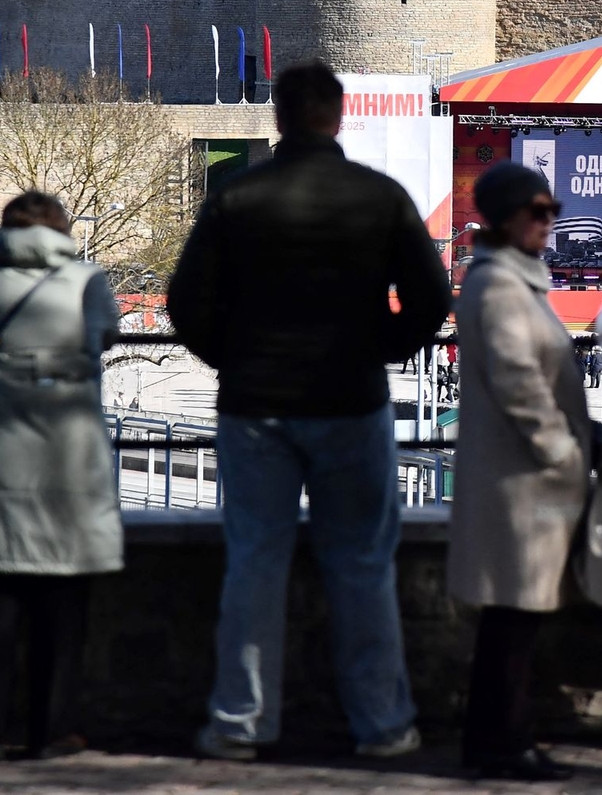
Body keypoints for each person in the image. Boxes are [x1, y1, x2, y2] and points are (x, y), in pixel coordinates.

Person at [168, 62, 451, 762]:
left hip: (256, 404)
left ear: (278, 119)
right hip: (350, 400)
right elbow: (431, 300)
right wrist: (377, 349)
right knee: (362, 564)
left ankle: (240, 722)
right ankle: (381, 725)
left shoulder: (237, 197)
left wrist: (233, 357)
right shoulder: (379, 197)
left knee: (254, 563)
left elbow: (184, 303)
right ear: (339, 116)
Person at [446, 162, 592, 782]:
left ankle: (495, 740)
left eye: (551, 211)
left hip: (522, 479)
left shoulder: (508, 281)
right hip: (522, 481)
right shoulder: (502, 288)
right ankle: (503, 745)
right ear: (504, 218)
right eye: (537, 212)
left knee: (512, 621)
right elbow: (519, 383)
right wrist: (562, 450)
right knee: (513, 619)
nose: (549, 222)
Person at [0, 192, 122, 762]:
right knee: (62, 604)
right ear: (62, 230)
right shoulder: (88, 283)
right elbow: (103, 337)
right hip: (69, 460)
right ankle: (50, 730)